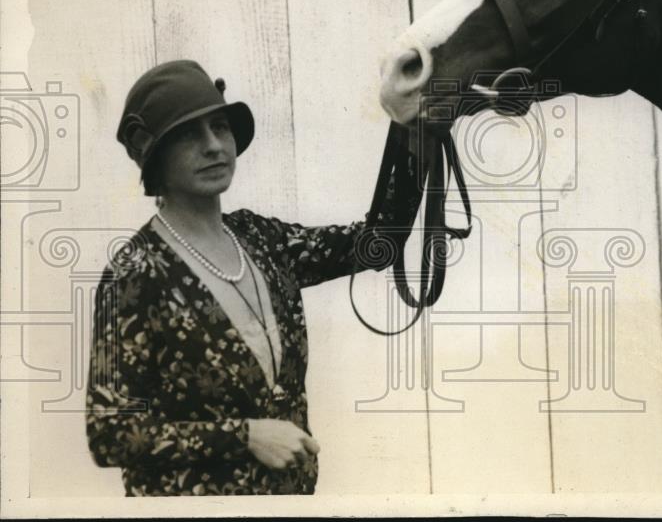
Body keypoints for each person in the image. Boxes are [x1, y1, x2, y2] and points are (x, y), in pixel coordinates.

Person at [86, 59, 415, 495]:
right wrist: (245, 435)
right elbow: (109, 434)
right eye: (189, 134)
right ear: (155, 154)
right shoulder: (134, 274)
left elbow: (377, 245)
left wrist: (417, 136)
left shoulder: (261, 238)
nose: (213, 146)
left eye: (220, 127)